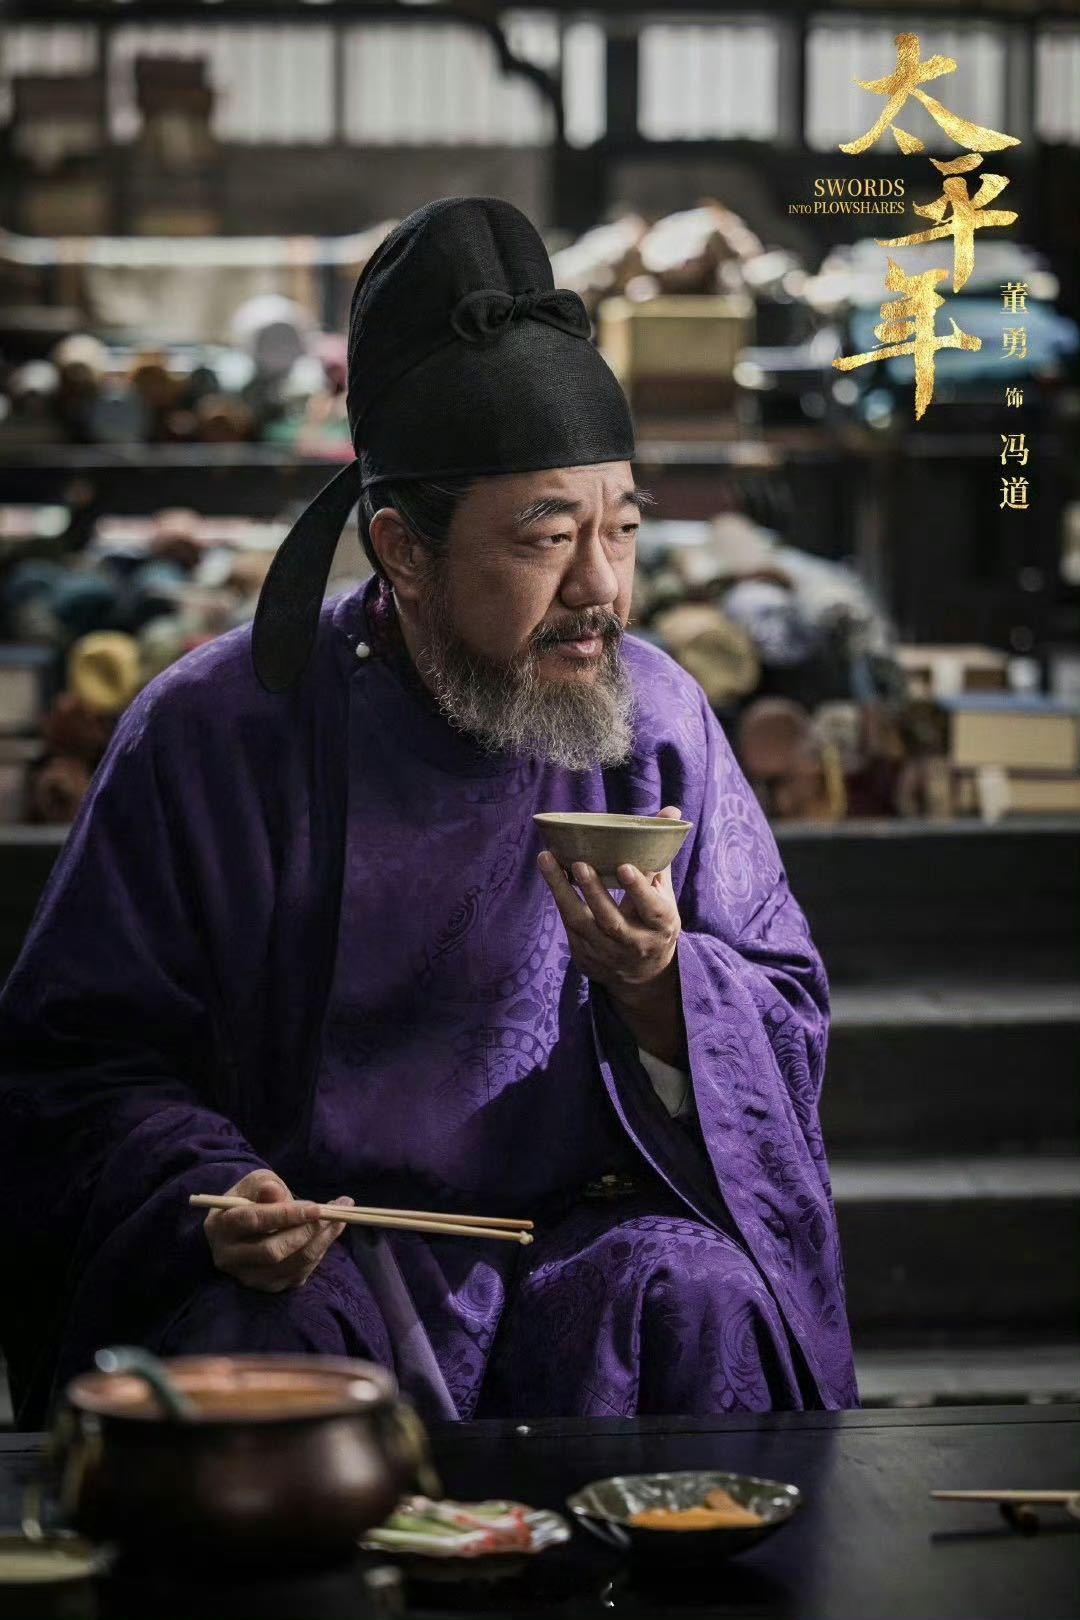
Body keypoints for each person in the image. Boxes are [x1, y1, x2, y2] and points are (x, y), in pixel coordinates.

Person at [0, 198, 857, 1427]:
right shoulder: (216, 732)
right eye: (548, 538)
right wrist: (213, 1187)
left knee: (699, 1296)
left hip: (579, 1248)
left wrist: (666, 987)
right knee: (251, 1347)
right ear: (402, 551)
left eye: (621, 529)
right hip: (314, 1253)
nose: (601, 588)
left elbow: (784, 1010)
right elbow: (71, 1063)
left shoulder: (657, 720)